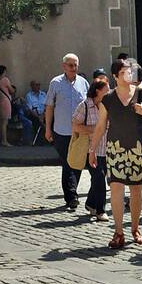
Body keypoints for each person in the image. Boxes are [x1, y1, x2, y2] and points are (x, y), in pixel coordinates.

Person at [89, 57, 142, 248]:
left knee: (136, 189)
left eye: (129, 71)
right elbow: (101, 125)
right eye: (123, 72)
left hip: (137, 148)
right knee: (116, 189)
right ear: (115, 76)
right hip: (116, 149)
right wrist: (92, 149)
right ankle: (118, 232)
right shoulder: (108, 99)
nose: (128, 74)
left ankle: (135, 229)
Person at [44, 54, 90, 210]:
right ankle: (71, 197)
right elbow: (49, 107)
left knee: (77, 162)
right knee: (67, 162)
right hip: (61, 131)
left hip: (79, 131)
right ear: (64, 66)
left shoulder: (83, 83)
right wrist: (48, 129)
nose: (73, 68)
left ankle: (72, 193)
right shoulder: (55, 83)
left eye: (75, 65)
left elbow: (90, 106)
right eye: (70, 65)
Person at [71, 75, 110, 221]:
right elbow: (75, 126)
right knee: (99, 178)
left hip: (106, 149)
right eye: (106, 90)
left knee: (98, 179)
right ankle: (100, 211)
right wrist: (95, 129)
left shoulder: (108, 105)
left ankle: (90, 203)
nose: (109, 92)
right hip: (90, 150)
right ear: (98, 91)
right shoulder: (85, 105)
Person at [0, 65, 14, 146]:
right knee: (5, 122)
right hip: (6, 102)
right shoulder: (5, 79)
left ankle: (3, 140)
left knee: (2, 121)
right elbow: (11, 90)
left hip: (1, 101)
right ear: (4, 71)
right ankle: (4, 140)